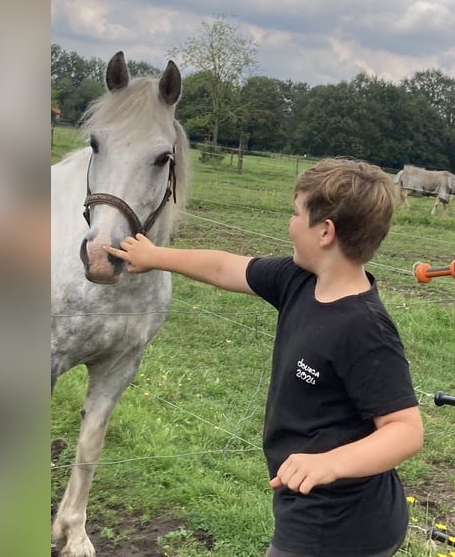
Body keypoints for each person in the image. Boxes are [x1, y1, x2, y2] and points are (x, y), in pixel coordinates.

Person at [104, 158, 424, 557]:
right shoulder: (299, 279)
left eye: (296, 214)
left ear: (325, 231)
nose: (289, 224)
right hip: (311, 505)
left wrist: (330, 464)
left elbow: (406, 430)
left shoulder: (365, 328)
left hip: (341, 523)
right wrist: (154, 256)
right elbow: (224, 266)